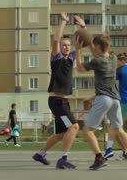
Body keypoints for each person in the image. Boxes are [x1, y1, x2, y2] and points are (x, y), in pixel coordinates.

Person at [75, 25, 127, 170]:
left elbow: (79, 68)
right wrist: (85, 28)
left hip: (103, 98)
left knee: (87, 130)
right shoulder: (113, 58)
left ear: (98, 46)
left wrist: (78, 50)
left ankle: (99, 158)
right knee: (118, 129)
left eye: (95, 46)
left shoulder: (97, 62)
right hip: (116, 99)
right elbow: (97, 51)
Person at [32, 12, 80, 169]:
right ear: (60, 48)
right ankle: (62, 159)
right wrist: (64, 22)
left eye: (68, 45)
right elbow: (55, 39)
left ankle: (41, 154)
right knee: (74, 127)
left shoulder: (71, 58)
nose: (66, 47)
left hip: (61, 100)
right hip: (57, 101)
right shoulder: (56, 58)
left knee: (61, 134)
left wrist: (83, 27)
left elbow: (82, 44)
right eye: (64, 45)